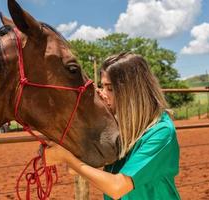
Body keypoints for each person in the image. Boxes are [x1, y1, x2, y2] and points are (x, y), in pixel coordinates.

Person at [45, 52, 181, 200]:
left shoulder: (161, 132)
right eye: (102, 87)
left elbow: (117, 187)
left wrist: (66, 157)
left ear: (131, 91)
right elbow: (77, 168)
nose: (103, 94)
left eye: (109, 88)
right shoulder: (120, 126)